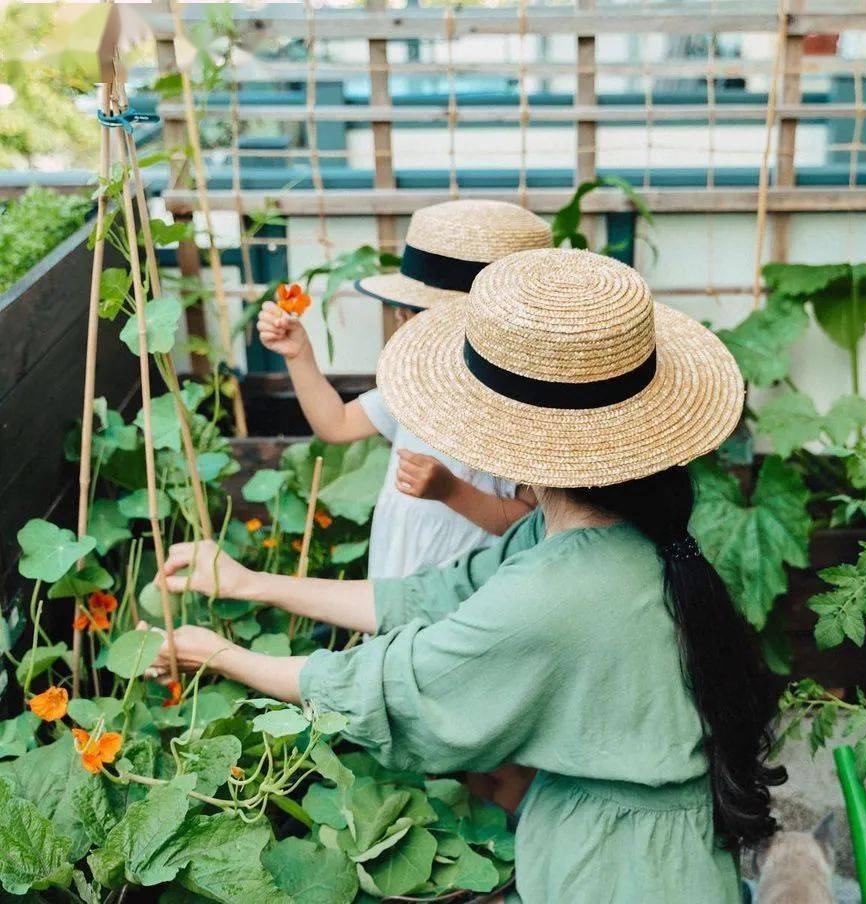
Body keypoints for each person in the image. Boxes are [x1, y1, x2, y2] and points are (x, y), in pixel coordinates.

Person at [151, 248, 785, 903]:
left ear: (519, 447)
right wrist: (247, 580)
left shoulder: (553, 593)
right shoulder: (600, 534)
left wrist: (219, 654)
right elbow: (428, 597)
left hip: (620, 877)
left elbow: (394, 689)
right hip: (666, 859)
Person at [256, 199, 552, 580]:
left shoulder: (524, 413)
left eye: (414, 311)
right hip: (395, 582)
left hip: (460, 596)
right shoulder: (417, 389)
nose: (399, 319)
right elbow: (336, 425)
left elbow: (526, 523)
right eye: (402, 310)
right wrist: (299, 356)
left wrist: (451, 491)